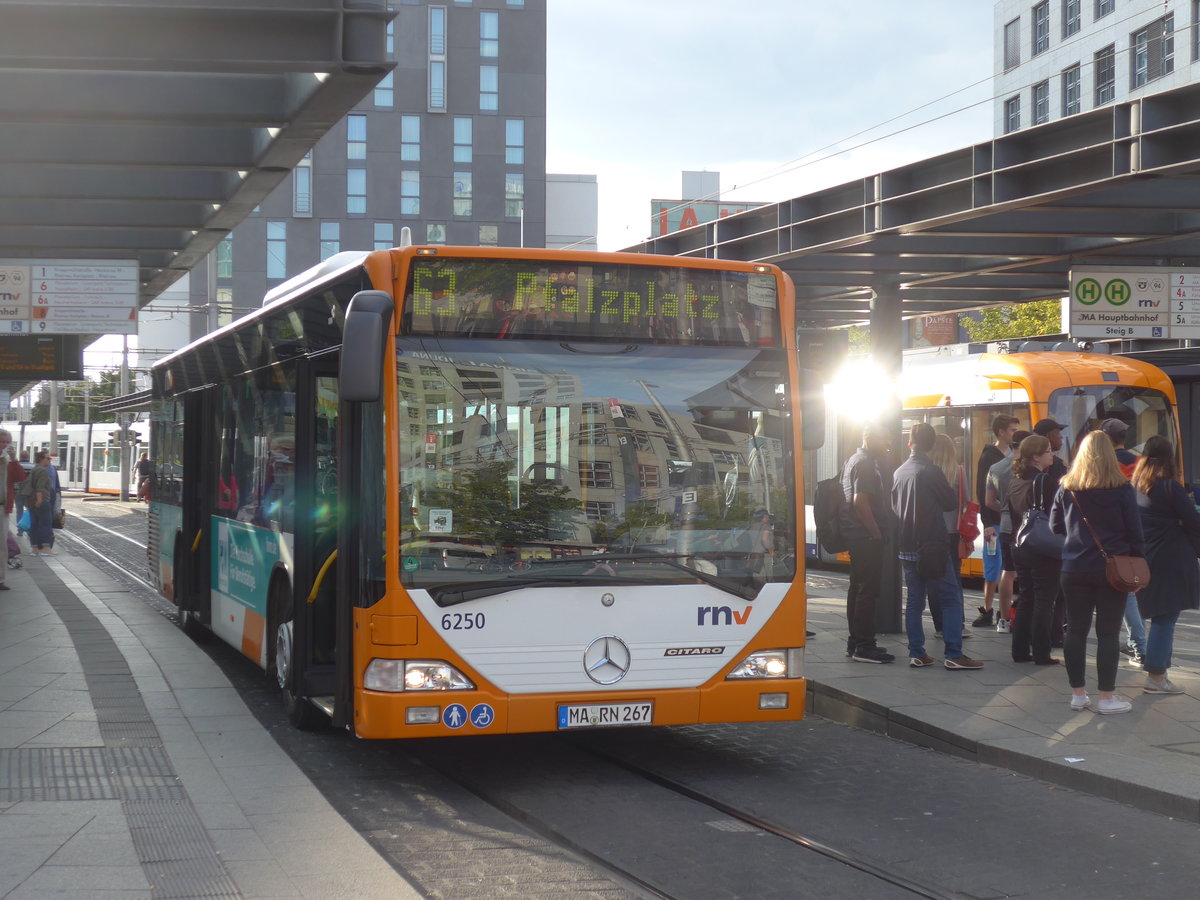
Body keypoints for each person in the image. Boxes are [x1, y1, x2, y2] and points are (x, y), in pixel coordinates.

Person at [1050, 431, 1145, 715]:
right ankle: (1106, 697)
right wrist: (1138, 568)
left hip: (1074, 568)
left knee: (1075, 631)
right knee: (1107, 633)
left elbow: (1055, 526)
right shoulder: (1122, 488)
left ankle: (1078, 695)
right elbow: (1135, 533)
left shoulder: (1067, 487)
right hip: (1111, 570)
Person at [893, 423, 983, 670]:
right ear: (932, 445)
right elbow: (948, 502)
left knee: (914, 600)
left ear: (910, 442)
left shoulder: (899, 472)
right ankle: (954, 654)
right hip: (932, 544)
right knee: (951, 598)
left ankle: (916, 653)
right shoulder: (931, 471)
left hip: (906, 544)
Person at [1130, 436, 1198, 695]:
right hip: (1171, 558)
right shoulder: (1170, 487)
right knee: (1165, 619)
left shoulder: (1135, 486)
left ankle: (1161, 673)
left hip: (1145, 559)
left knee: (1160, 616)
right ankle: (1157, 677)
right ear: (1170, 458)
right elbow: (1193, 520)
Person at [839, 423, 895, 663]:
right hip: (864, 536)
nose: (888, 445)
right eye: (885, 440)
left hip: (856, 536)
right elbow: (860, 502)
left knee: (857, 588)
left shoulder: (853, 460)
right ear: (871, 439)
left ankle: (855, 642)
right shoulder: (865, 465)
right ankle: (864, 645)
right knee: (867, 591)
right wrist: (876, 533)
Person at [1007, 434, 1061, 665]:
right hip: (1041, 546)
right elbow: (1055, 517)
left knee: (1027, 597)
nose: (1053, 454)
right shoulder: (1044, 481)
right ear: (1037, 457)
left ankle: (1019, 650)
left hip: (1019, 544)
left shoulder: (1015, 481)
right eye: (1048, 451)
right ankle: (1041, 652)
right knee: (1044, 599)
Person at [1100, 417, 1147, 666]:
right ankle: (1135, 643)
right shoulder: (1139, 462)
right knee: (1133, 589)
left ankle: (1139, 645)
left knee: (1125, 592)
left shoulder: (1105, 464)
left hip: (1112, 534)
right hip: (1136, 526)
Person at [974, 414, 1019, 628]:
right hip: (995, 522)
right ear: (1001, 432)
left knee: (1007, 567)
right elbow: (982, 493)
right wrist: (988, 523)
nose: (1014, 434)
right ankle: (988, 609)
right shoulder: (988, 457)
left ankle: (1002, 610)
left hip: (1011, 522)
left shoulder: (1014, 455)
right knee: (993, 566)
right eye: (1012, 430)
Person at [986, 428, 1031, 634]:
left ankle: (1003, 620)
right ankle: (1023, 617)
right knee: (1028, 573)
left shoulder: (995, 468)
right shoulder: (1027, 468)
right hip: (1026, 524)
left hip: (1005, 524)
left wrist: (1004, 509)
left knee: (1007, 571)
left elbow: (988, 501)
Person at [928, 434, 971, 640]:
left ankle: (939, 626)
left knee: (934, 579)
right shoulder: (959, 471)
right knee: (954, 579)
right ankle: (958, 624)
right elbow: (966, 501)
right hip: (953, 532)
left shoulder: (926, 472)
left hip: (931, 532)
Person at [1033, 418, 1069, 648]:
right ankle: (1052, 636)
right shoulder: (1050, 472)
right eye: (1056, 434)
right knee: (1055, 593)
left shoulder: (1023, 470)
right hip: (1050, 538)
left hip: (1035, 538)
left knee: (1037, 595)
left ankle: (1041, 636)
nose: (1060, 439)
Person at [27, 450, 56, 557]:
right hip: (42, 501)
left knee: (34, 524)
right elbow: (40, 487)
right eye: (48, 458)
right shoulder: (43, 471)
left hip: (31, 501)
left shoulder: (34, 469)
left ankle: (34, 548)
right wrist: (40, 500)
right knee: (46, 524)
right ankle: (46, 548)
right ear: (41, 459)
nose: (50, 460)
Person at [0, 430, 15, 589]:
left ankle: (0, 579)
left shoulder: (8, 459)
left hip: (2, 507)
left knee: (1, 545)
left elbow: (19, 477)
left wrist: (14, 460)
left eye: (6, 442)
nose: (4, 445)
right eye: (1, 441)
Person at [13, 449, 33, 537]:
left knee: (19, 511)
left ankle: (20, 530)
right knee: (29, 511)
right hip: (29, 492)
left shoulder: (17, 466)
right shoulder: (33, 466)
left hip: (18, 491)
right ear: (28, 457)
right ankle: (29, 530)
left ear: (20, 457)